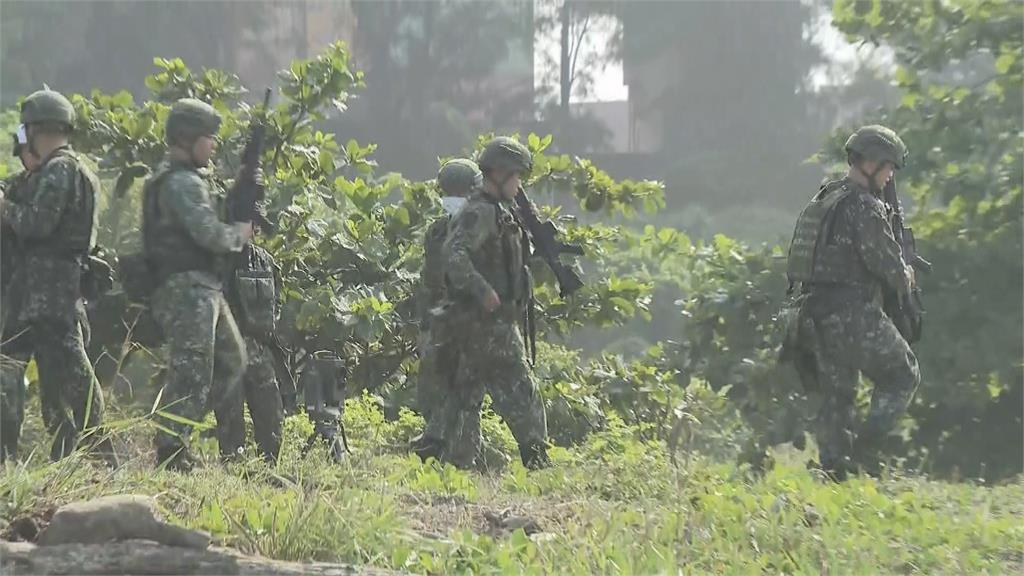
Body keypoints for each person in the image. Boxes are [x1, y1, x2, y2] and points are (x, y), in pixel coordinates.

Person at [783, 125, 921, 481]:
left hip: (810, 316)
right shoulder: (865, 207)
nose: (891, 175)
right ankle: (865, 451)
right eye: (889, 166)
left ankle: (836, 472)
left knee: (838, 400)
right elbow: (888, 268)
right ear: (871, 163)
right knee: (903, 373)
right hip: (851, 315)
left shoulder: (827, 196)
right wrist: (907, 274)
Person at [0, 90, 116, 466]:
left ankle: (100, 453)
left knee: (68, 372)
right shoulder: (61, 169)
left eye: (25, 132)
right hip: (47, 291)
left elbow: (36, 223)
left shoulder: (61, 170)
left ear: (37, 130)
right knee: (52, 381)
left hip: (50, 292)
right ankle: (73, 455)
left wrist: (4, 207)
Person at [142, 98, 252, 471]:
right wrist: (238, 234)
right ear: (187, 138)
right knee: (192, 369)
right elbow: (207, 233)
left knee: (231, 361)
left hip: (204, 288)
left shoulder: (190, 180)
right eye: (208, 137)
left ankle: (176, 433)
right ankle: (171, 449)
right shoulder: (181, 183)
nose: (214, 145)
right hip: (187, 288)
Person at [440, 137, 549, 470]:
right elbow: (454, 256)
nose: (519, 184)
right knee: (521, 391)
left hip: (482, 324)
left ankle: (454, 465)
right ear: (499, 174)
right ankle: (537, 462)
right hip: (487, 325)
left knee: (465, 397)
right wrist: (484, 292)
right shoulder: (480, 212)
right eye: (516, 176)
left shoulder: (500, 211)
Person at [411, 158, 482, 461]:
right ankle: (439, 445)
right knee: (438, 388)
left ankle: (462, 456)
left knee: (464, 392)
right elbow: (430, 281)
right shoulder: (438, 232)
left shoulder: (484, 230)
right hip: (444, 322)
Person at [217, 238, 289, 464]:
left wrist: (269, 329)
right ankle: (233, 465)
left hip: (260, 350)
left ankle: (269, 466)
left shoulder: (265, 261)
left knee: (270, 410)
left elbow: (278, 297)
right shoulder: (220, 260)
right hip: (229, 353)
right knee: (230, 413)